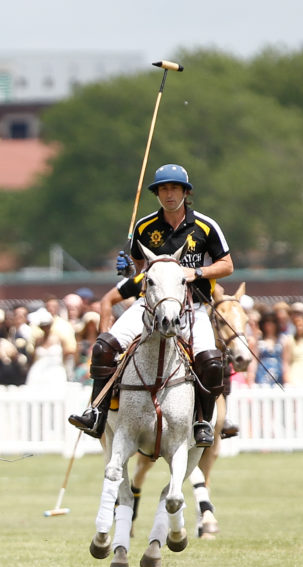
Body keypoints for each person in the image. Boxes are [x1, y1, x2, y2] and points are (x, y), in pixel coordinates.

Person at [69, 164, 233, 446]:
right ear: (157, 193)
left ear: (185, 192)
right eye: (163, 189)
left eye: (174, 188)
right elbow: (140, 271)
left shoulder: (205, 226)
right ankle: (96, 412)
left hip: (192, 308)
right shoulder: (144, 226)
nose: (169, 194)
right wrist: (127, 270)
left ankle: (202, 422)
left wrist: (198, 272)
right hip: (150, 307)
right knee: (104, 346)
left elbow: (227, 265)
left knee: (211, 361)